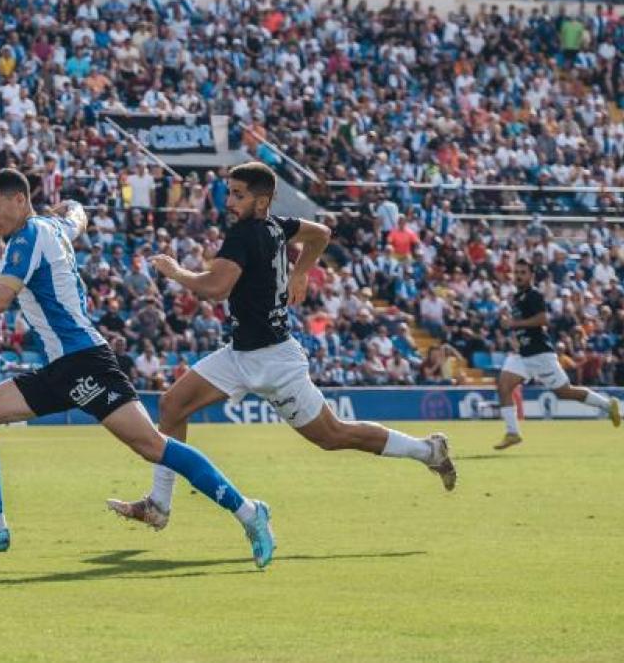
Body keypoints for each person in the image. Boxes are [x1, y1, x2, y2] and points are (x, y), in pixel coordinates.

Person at [0, 170, 275, 567]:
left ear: (20, 201)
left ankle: (249, 512)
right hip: (61, 367)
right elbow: (78, 214)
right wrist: (69, 209)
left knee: (152, 446)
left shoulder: (26, 238)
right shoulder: (53, 226)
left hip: (84, 362)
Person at [107, 163, 457, 533]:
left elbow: (215, 288)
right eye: (229, 192)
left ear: (262, 201)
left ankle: (427, 451)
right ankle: (159, 505)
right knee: (172, 405)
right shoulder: (279, 225)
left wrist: (176, 272)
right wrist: (301, 271)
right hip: (241, 353)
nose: (229, 201)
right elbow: (321, 233)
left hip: (275, 361)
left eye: (238, 194)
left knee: (333, 436)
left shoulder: (244, 235)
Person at [493, 259, 620, 450]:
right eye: (516, 272)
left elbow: (543, 319)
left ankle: (608, 405)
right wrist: (510, 325)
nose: (518, 275)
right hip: (523, 354)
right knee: (503, 385)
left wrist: (514, 324)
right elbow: (521, 326)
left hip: (540, 355)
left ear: (531, 276)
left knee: (565, 392)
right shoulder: (518, 298)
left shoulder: (533, 295)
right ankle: (512, 433)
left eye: (523, 272)